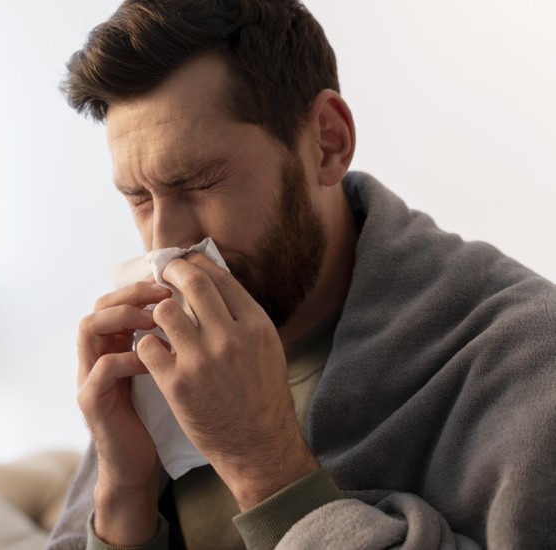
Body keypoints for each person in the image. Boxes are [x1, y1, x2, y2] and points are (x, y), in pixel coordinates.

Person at [47, 1, 556, 548]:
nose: (163, 243)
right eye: (139, 198)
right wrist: (123, 492)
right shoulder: (162, 358)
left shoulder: (526, 357)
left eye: (198, 182)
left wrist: (265, 468)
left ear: (327, 144)